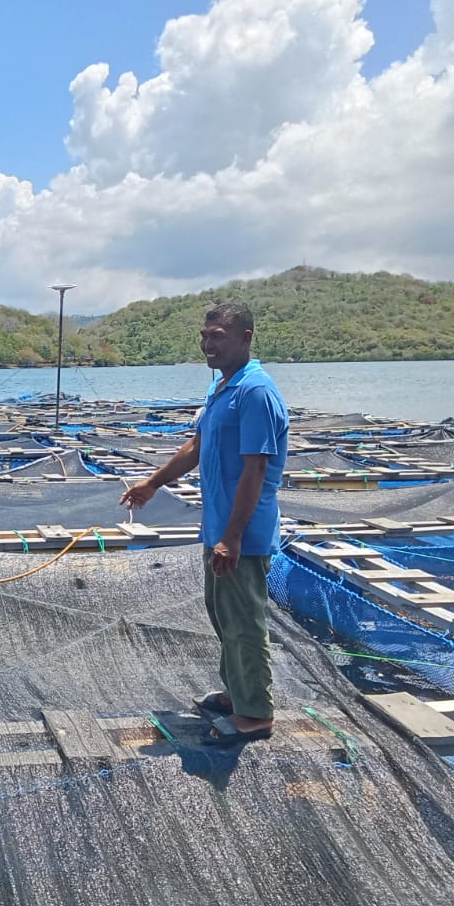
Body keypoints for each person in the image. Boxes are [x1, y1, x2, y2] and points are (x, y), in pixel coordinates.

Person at [121, 303, 288, 746]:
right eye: (205, 336)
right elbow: (197, 446)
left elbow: (255, 470)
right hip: (218, 529)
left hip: (242, 536)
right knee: (223, 617)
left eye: (218, 336)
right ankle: (238, 694)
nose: (208, 345)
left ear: (246, 337)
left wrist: (232, 538)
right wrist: (153, 483)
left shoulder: (255, 392)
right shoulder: (222, 387)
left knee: (245, 623)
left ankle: (255, 714)